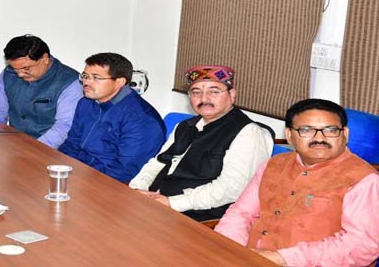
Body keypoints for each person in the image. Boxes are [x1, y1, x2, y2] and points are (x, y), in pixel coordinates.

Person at [215, 99, 379, 266]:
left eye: (331, 130)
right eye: (306, 130)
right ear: (289, 135)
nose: (319, 138)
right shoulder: (274, 164)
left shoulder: (364, 180)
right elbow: (241, 213)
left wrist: (282, 258)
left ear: (345, 134)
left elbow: (362, 245)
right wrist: (231, 249)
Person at [129, 65, 273, 221]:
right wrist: (138, 188)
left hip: (197, 215)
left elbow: (231, 189)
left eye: (214, 91)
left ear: (232, 94)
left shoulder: (249, 133)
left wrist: (172, 203)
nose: (204, 99)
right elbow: (159, 162)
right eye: (196, 92)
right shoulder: (184, 126)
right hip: (156, 201)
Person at [57, 53, 165, 182]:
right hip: (79, 172)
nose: (86, 82)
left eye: (96, 78)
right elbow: (72, 143)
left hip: (108, 182)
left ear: (119, 82)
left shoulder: (142, 119)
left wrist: (80, 176)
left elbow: (124, 171)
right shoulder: (86, 102)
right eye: (85, 76)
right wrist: (62, 166)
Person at [0, 35, 82, 148]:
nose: (20, 74)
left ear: (45, 59)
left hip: (52, 150)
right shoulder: (8, 74)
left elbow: (64, 127)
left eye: (26, 68)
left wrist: (32, 150)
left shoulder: (71, 82)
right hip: (14, 146)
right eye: (15, 69)